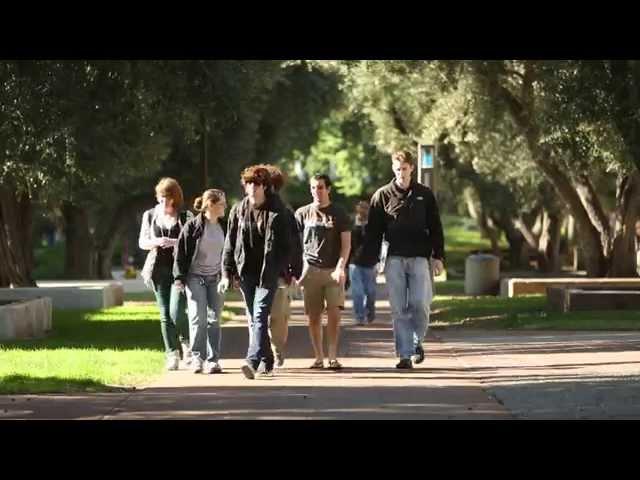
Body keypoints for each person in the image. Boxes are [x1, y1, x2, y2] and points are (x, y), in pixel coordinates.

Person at [358, 151, 445, 369]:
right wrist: (372, 260)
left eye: (404, 169)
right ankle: (405, 354)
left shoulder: (424, 194)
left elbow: (436, 227)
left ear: (411, 168)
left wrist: (438, 256)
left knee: (420, 304)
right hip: (394, 258)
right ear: (393, 169)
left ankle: (417, 343)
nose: (401, 173)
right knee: (398, 308)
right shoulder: (382, 195)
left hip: (419, 257)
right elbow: (374, 232)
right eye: (397, 169)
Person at [220, 166, 291, 379]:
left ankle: (251, 361)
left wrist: (283, 270)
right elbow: (230, 243)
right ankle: (266, 360)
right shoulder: (238, 210)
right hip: (246, 272)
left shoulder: (278, 211)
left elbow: (287, 246)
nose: (252, 187)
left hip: (267, 273)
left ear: (265, 186)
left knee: (259, 314)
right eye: (248, 183)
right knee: (253, 317)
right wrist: (227, 272)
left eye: (257, 184)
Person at [295, 173, 351, 370]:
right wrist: (298, 271)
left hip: (333, 270)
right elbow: (296, 245)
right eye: (313, 188)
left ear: (328, 189)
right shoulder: (302, 213)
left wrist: (340, 267)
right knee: (313, 316)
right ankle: (318, 356)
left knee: (334, 312)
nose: (316, 191)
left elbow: (346, 245)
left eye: (320, 187)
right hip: (310, 270)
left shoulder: (339, 213)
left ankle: (333, 356)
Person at [138, 177, 192, 371]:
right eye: (160, 197)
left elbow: (192, 242)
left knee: (176, 311)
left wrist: (175, 242)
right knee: (164, 313)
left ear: (175, 197)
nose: (163, 202)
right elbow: (142, 242)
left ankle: (186, 344)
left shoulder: (186, 216)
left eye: (167, 197)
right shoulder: (150, 215)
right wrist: (157, 241)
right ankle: (172, 354)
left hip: (179, 269)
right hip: (158, 268)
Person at [173, 189, 227, 374]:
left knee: (214, 319)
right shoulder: (193, 226)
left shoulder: (225, 226)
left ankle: (213, 361)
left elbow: (231, 253)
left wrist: (231, 275)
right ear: (210, 205)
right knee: (198, 318)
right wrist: (179, 278)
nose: (225, 207)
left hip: (216, 278)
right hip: (195, 277)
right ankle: (197, 358)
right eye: (221, 203)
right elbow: (180, 253)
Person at [257, 164, 303, 369]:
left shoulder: (285, 213)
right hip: (256, 273)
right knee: (259, 318)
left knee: (278, 318)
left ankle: (277, 347)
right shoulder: (248, 209)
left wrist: (295, 271)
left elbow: (295, 245)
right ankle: (260, 353)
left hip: (280, 273)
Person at [349, 200, 378, 325]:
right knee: (358, 292)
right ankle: (359, 317)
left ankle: (370, 311)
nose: (363, 211)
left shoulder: (373, 225)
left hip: (370, 263)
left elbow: (378, 243)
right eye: (361, 208)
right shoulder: (351, 224)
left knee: (371, 292)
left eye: (365, 208)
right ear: (357, 209)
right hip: (354, 263)